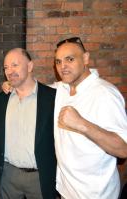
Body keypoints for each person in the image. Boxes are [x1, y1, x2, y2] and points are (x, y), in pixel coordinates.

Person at [54, 37, 127, 199]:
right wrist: (11, 84)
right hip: (66, 191)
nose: (63, 66)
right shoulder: (61, 89)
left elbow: (123, 149)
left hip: (96, 194)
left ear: (85, 58)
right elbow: (32, 87)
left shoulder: (105, 93)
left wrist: (82, 124)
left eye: (70, 59)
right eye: (58, 62)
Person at [0, 48, 57, 199]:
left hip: (40, 178)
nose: (9, 71)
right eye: (6, 67)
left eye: (15, 65)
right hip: (8, 177)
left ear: (30, 66)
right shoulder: (0, 101)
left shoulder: (52, 98)